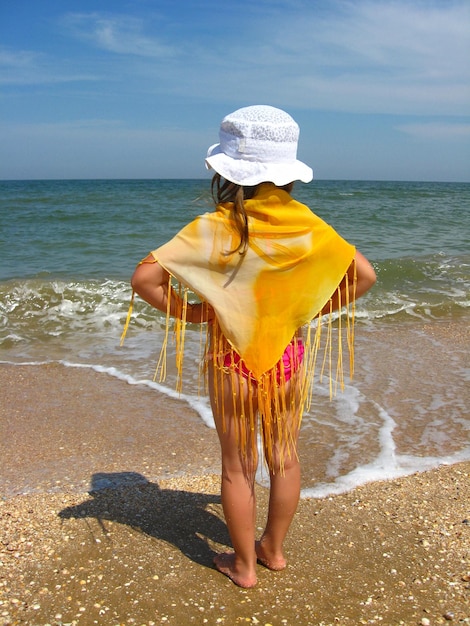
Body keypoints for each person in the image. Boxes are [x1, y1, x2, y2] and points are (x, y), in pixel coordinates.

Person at [126, 105, 376, 588]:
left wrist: (195, 313)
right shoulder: (308, 227)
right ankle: (274, 552)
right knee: (284, 456)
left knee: (237, 467)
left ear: (229, 172)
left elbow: (145, 278)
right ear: (288, 173)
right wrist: (306, 313)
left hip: (230, 358)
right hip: (288, 355)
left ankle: (243, 566)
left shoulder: (214, 226)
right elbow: (362, 276)